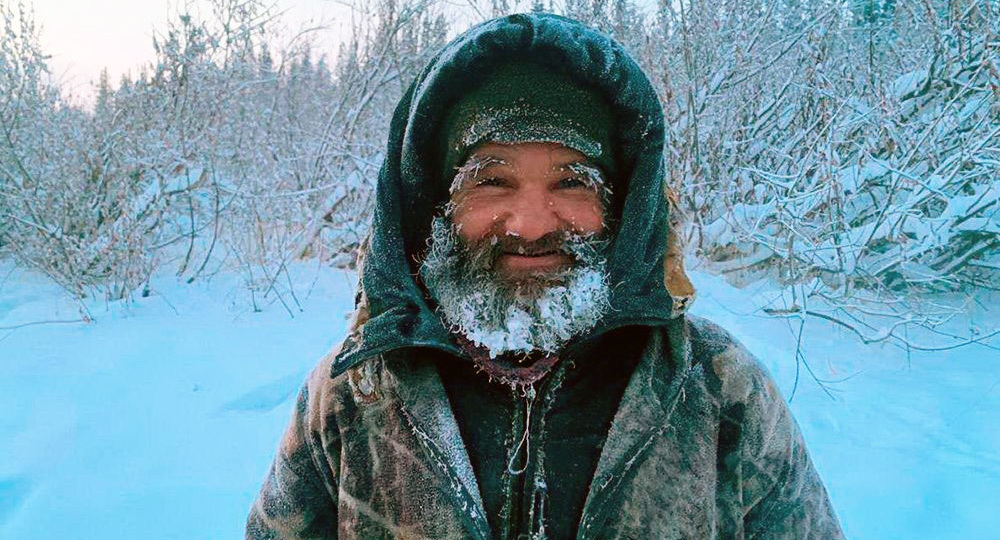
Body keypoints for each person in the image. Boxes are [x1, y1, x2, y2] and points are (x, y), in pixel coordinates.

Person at [246, 13, 844, 540]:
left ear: (622, 208)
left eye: (571, 182)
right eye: (490, 179)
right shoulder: (353, 394)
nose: (531, 225)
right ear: (436, 205)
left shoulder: (716, 387)